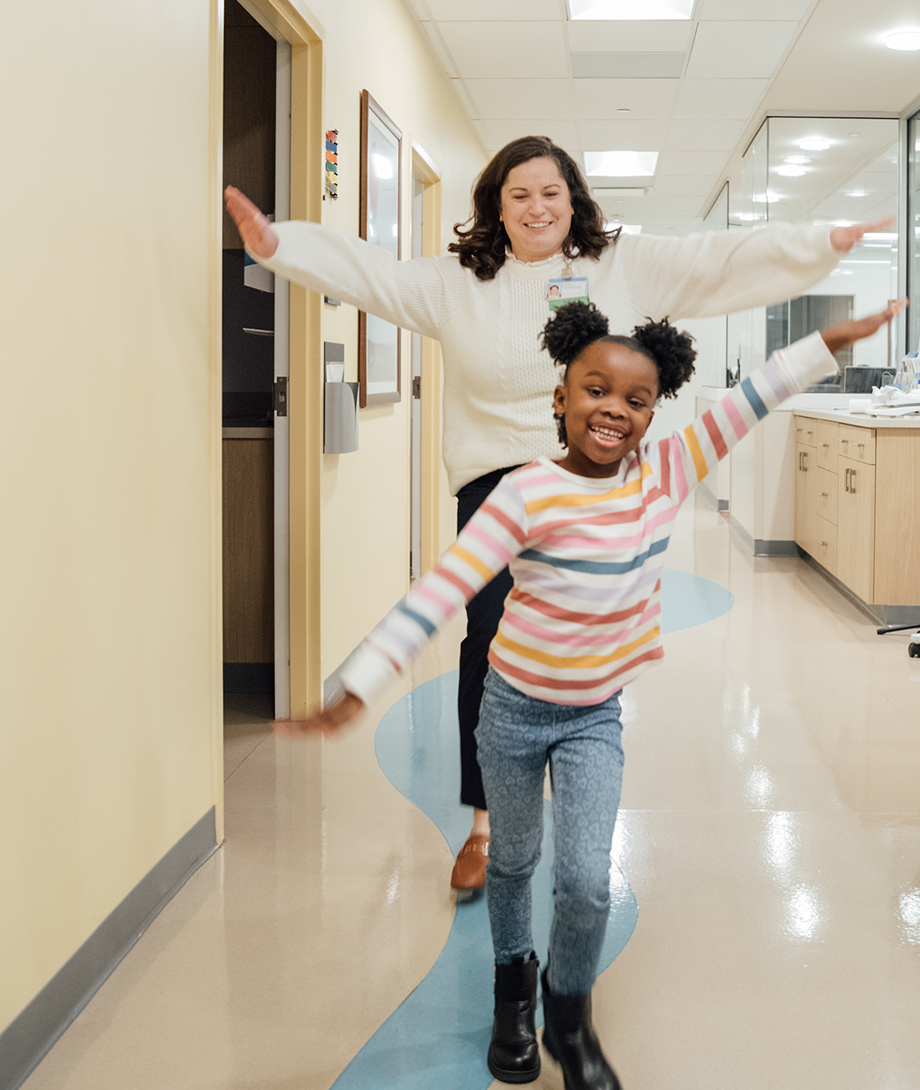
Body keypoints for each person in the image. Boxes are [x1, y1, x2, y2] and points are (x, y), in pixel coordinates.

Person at [225, 133, 891, 896]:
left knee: (577, 636)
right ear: (496, 209)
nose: (537, 207)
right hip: (494, 480)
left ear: (572, 198)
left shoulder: (620, 263)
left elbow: (720, 260)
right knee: (486, 636)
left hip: (595, 479)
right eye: (519, 195)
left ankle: (575, 759)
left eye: (550, 192)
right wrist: (280, 246)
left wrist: (821, 242)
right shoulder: (455, 283)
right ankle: (485, 822)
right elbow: (372, 275)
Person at [274, 297, 902, 1090]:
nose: (614, 410)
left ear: (654, 410)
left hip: (593, 719)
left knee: (583, 880)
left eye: (636, 400)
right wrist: (360, 683)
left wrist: (825, 344)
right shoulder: (524, 492)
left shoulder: (664, 476)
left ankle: (567, 1011)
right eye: (595, 390)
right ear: (562, 398)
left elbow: (751, 400)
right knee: (513, 860)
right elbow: (445, 587)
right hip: (511, 710)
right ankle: (512, 988)